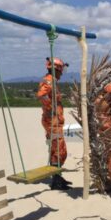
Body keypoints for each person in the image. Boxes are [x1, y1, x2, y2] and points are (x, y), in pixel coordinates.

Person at [37, 57, 72, 190]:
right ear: (56, 70)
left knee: (55, 150)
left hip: (54, 122)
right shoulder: (49, 81)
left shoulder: (52, 82)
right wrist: (50, 108)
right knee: (60, 150)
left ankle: (56, 177)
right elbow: (42, 95)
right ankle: (56, 180)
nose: (62, 73)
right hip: (52, 122)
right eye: (61, 70)